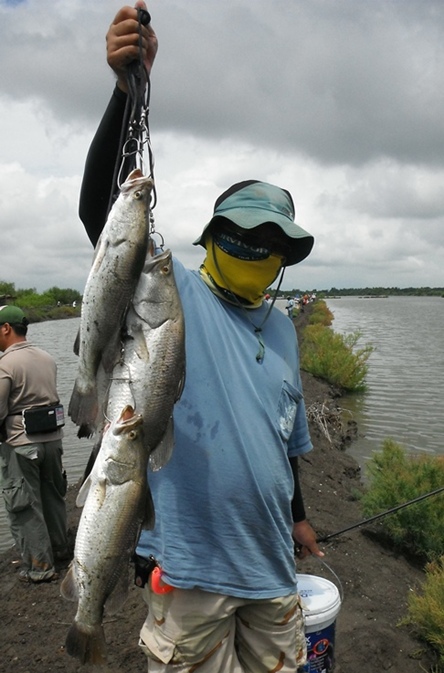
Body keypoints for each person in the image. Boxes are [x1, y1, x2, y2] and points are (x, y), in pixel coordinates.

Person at [78, 3, 323, 671]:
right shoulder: (172, 294)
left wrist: (298, 517)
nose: (255, 247)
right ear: (211, 238)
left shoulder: (283, 329)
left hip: (273, 572)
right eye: (241, 233)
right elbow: (106, 213)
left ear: (286, 259)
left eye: (271, 241)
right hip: (191, 579)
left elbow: (285, 439)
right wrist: (126, 95)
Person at [0, 305, 68, 583]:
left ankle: (39, 567)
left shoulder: (5, 364)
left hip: (21, 443)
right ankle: (60, 550)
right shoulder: (46, 357)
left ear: (6, 328)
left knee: (25, 505)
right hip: (52, 440)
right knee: (53, 497)